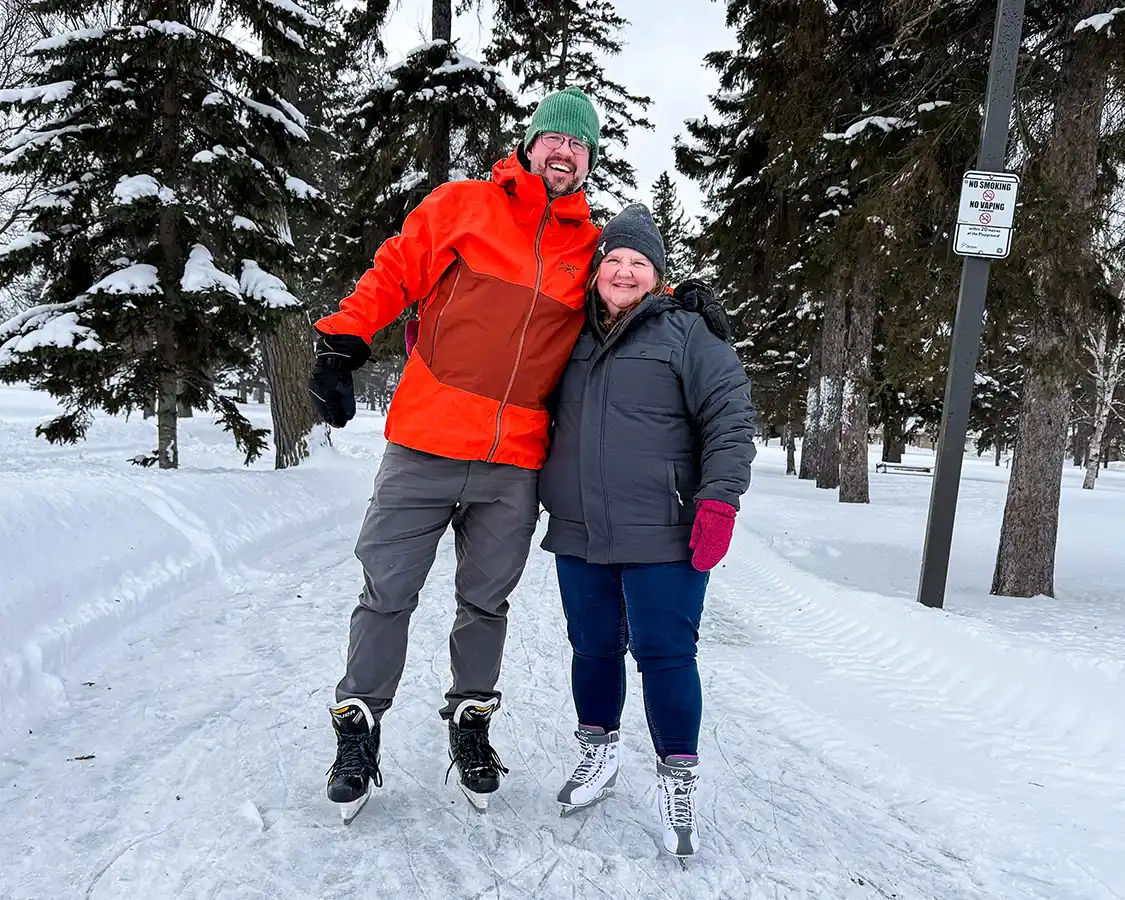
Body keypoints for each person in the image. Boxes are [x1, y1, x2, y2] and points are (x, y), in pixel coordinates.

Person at [307, 87, 602, 819]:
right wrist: (343, 340)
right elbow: (394, 270)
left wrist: (684, 309)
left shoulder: (589, 246)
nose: (563, 153)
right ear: (528, 144)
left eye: (578, 146)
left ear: (588, 161)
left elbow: (631, 296)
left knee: (485, 603)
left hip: (513, 465)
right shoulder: (463, 205)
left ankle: (470, 723)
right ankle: (358, 730)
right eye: (552, 140)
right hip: (425, 444)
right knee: (386, 594)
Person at [537, 204, 756, 856]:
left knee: (664, 654)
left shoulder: (688, 334)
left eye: (639, 263)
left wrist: (718, 502)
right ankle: (599, 754)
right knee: (592, 647)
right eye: (615, 261)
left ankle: (675, 778)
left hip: (665, 530)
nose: (624, 272)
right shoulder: (567, 334)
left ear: (658, 277)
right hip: (579, 530)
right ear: (597, 271)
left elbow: (729, 420)